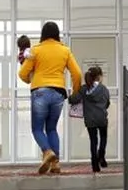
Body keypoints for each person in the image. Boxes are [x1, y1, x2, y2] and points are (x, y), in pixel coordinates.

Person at [19, 21, 83, 174]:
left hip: (40, 92)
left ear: (43, 34)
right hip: (58, 93)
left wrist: (30, 80)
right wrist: (75, 92)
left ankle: (47, 152)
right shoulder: (65, 50)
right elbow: (77, 74)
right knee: (52, 128)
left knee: (37, 129)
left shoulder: (35, 50)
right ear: (57, 34)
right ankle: (55, 164)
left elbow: (22, 73)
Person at [70, 66, 111, 173]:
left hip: (90, 120)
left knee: (93, 141)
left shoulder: (84, 89)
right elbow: (107, 103)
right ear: (99, 77)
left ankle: (95, 165)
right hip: (102, 117)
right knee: (103, 137)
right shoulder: (104, 89)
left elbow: (73, 99)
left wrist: (71, 94)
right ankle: (101, 155)